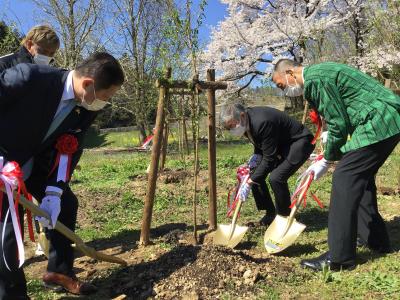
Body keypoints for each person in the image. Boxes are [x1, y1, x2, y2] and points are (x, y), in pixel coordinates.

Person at [0, 52, 124, 299]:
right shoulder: (29, 79)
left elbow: (70, 147)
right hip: (4, 160)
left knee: (66, 204)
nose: (105, 102)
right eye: (106, 96)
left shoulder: (86, 107)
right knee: (6, 231)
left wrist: (55, 191)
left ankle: (58, 272)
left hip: (35, 162)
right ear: (88, 84)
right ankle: (12, 295)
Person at [272, 59, 400, 271]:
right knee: (360, 177)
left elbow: (339, 123)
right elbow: (341, 117)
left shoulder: (315, 79)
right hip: (388, 117)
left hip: (378, 120)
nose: (284, 90)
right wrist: (328, 152)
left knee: (344, 177)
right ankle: (376, 240)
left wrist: (327, 159)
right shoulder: (321, 73)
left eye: (281, 85)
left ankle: (339, 258)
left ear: (289, 72)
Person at [0, 24, 60, 258]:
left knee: (56, 200)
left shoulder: (50, 76)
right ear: (29, 44)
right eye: (44, 50)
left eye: (52, 54)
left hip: (36, 151)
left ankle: (48, 250)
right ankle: (10, 261)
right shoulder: (5, 65)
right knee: (7, 214)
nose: (48, 57)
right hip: (6, 154)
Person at [220, 103, 315, 225]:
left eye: (232, 126)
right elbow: (261, 143)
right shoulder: (246, 122)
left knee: (276, 178)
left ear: (242, 116)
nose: (232, 130)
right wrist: (255, 160)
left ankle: (284, 217)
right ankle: (270, 213)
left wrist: (250, 180)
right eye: (229, 128)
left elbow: (269, 159)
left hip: (300, 141)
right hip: (281, 144)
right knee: (255, 176)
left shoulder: (262, 122)